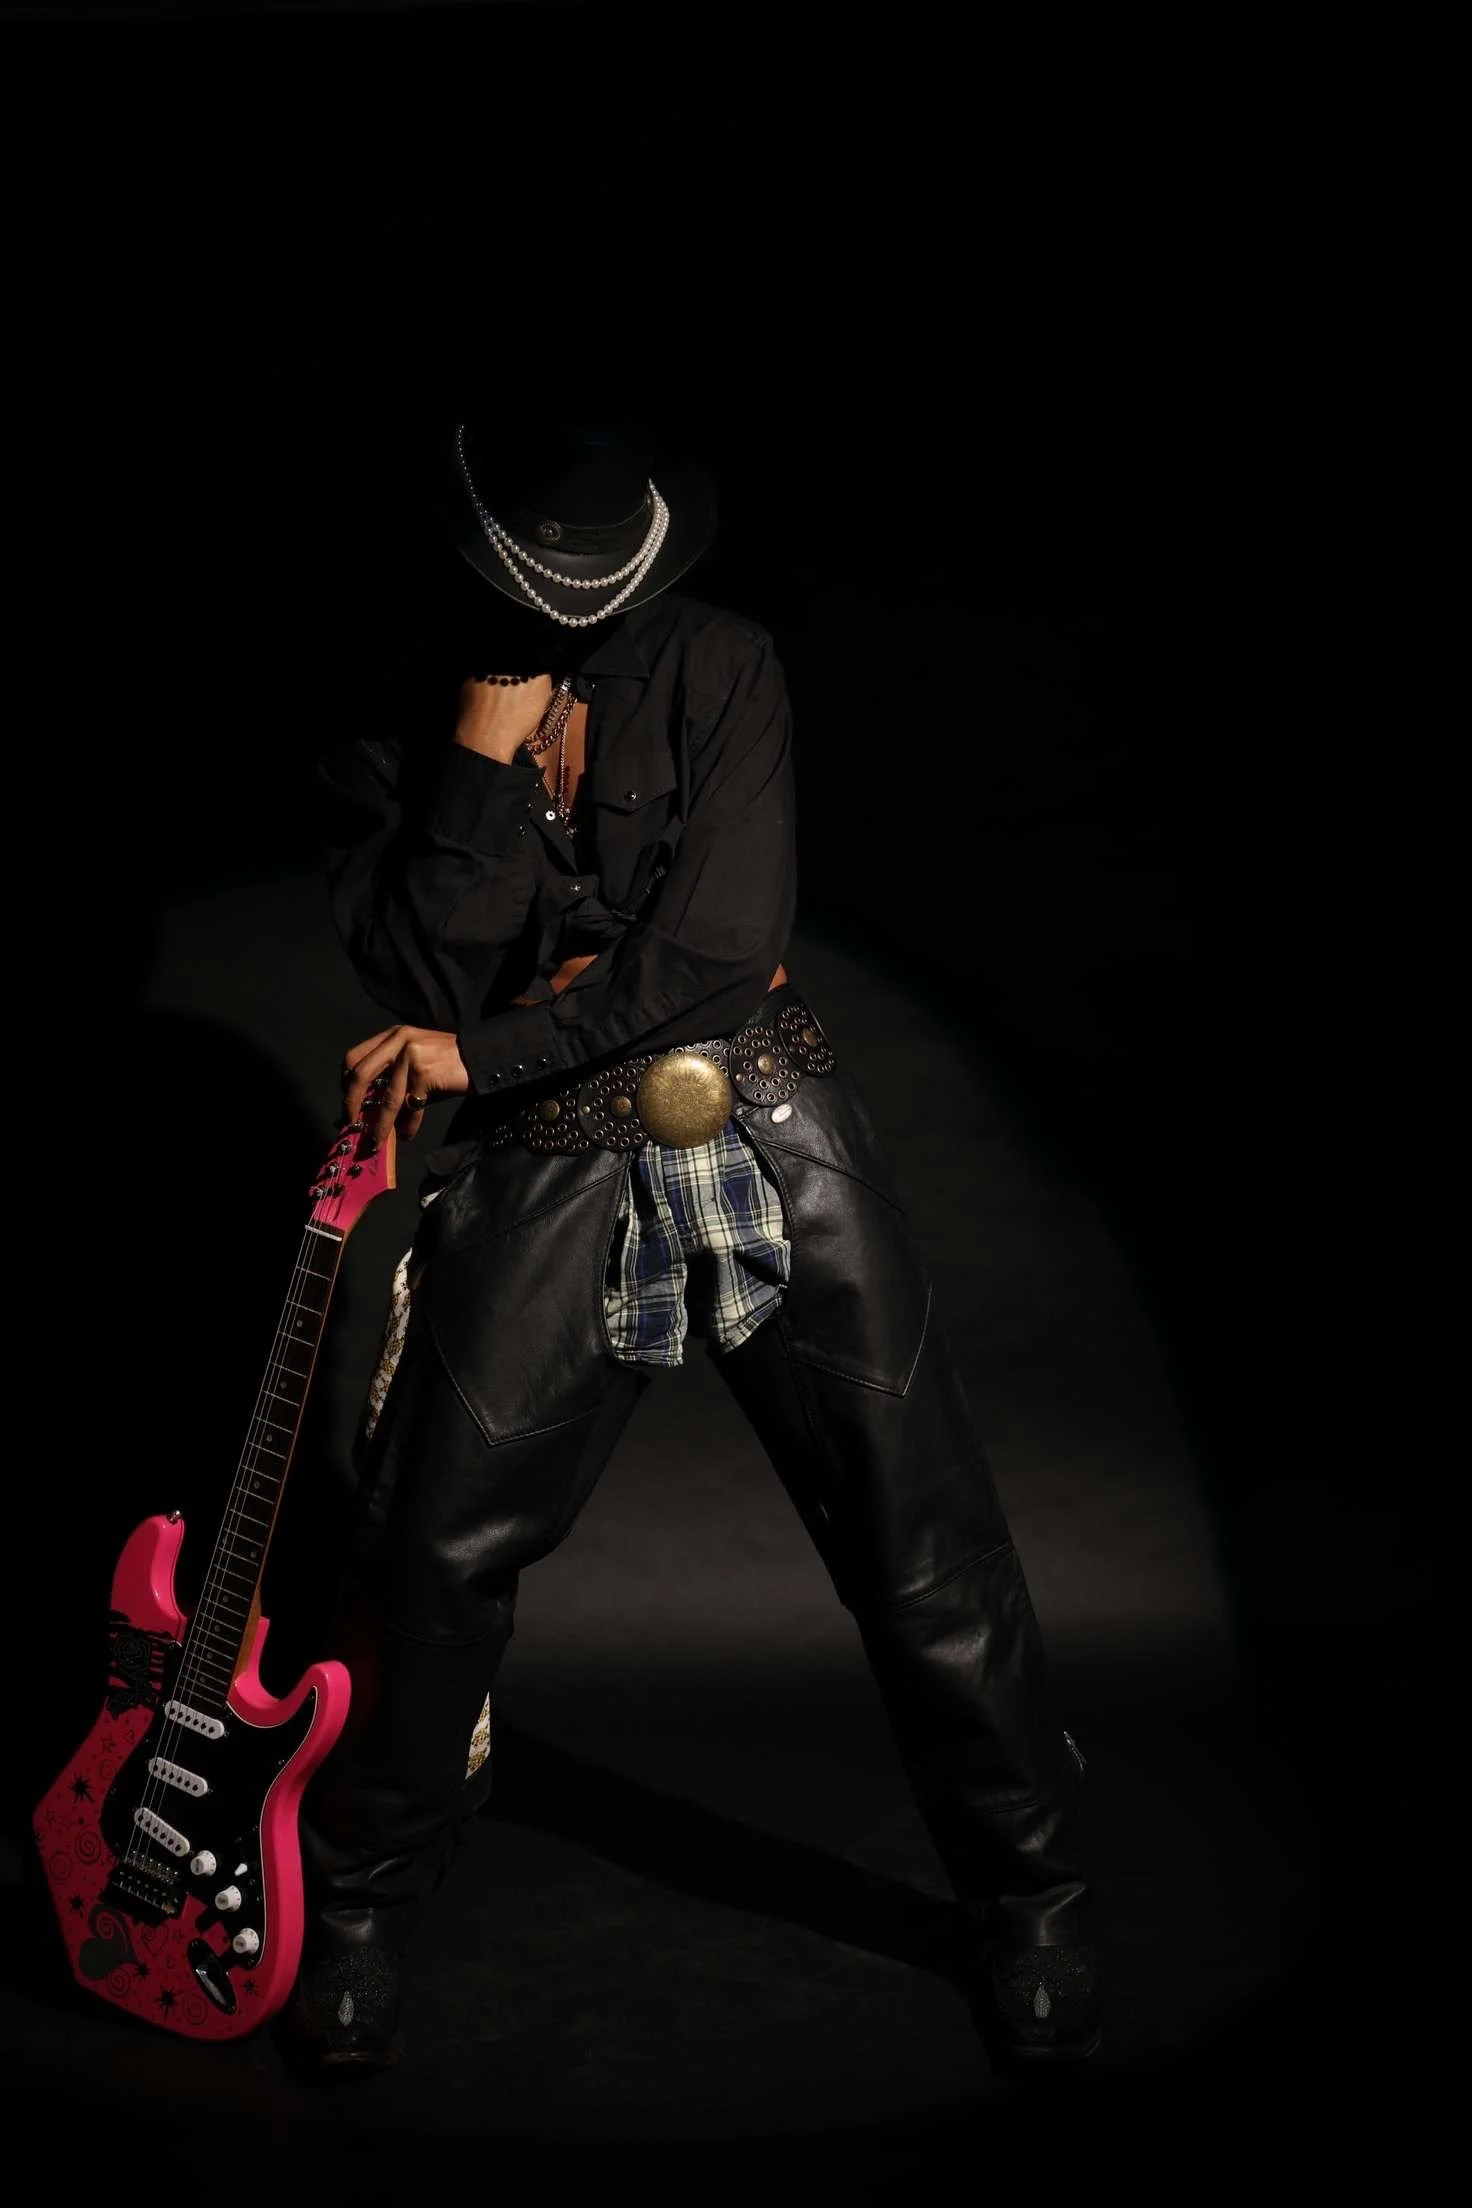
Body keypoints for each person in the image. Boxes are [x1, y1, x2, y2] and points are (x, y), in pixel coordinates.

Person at [280, 396, 1101, 2081]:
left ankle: (1036, 1899)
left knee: (921, 1537)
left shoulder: (722, 665)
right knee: (430, 1557)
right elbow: (423, 977)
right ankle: (354, 1907)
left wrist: (485, 1049)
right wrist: (477, 767)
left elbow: (721, 951)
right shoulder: (393, 732)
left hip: (768, 1120)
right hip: (545, 1170)